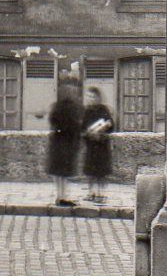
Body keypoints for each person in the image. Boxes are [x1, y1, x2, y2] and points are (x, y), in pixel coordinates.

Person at [46, 76, 84, 206]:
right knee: (63, 171)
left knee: (59, 171)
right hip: (66, 142)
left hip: (58, 141)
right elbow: (76, 125)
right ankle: (62, 196)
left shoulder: (57, 106)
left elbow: (52, 121)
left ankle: (60, 195)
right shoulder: (73, 107)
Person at [80, 87, 115, 203]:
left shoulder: (103, 110)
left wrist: (103, 129)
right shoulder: (85, 111)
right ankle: (91, 193)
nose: (91, 99)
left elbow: (111, 126)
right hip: (90, 144)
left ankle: (101, 193)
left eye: (93, 97)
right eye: (89, 96)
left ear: (98, 98)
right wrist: (88, 133)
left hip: (102, 144)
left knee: (101, 171)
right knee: (90, 170)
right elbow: (82, 128)